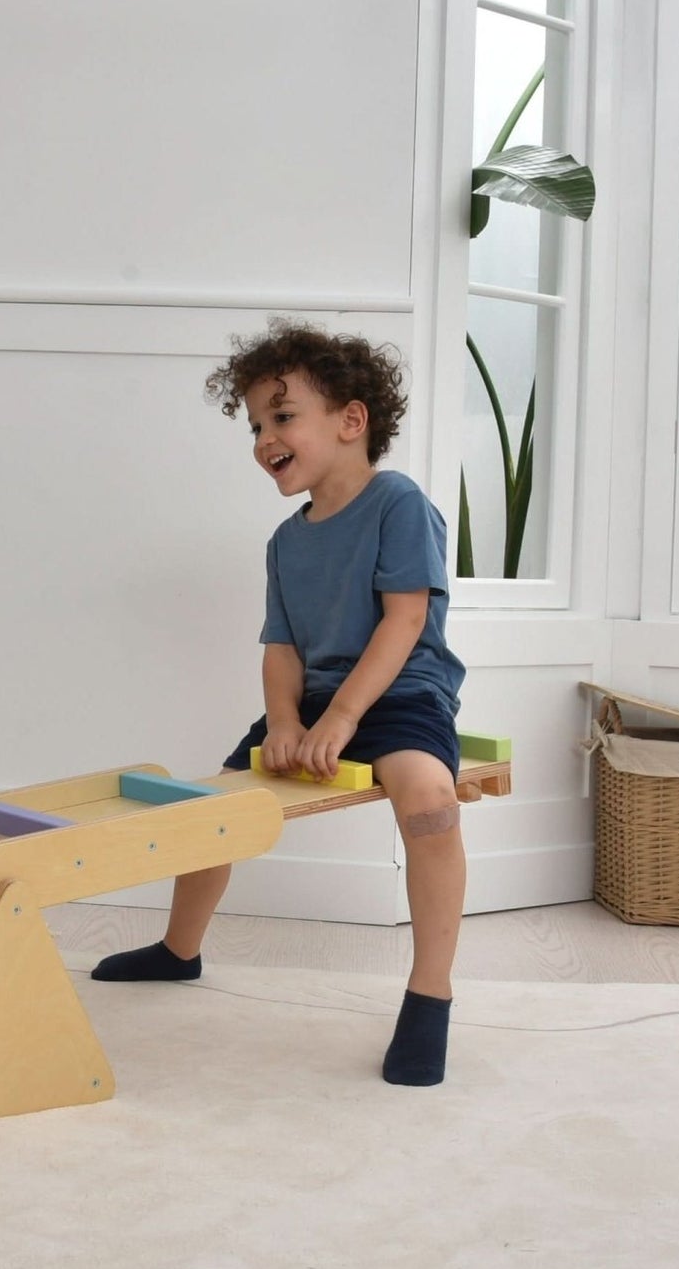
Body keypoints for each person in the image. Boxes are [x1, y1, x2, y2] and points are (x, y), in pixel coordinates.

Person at [92, 321, 468, 1086]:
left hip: (399, 699)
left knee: (430, 801)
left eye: (282, 416)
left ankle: (430, 996)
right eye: (257, 424)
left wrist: (341, 720)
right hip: (314, 704)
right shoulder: (284, 542)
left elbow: (404, 622)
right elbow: (282, 650)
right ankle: (178, 950)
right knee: (211, 808)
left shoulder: (398, 503)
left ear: (350, 421)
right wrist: (292, 722)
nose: (265, 437)